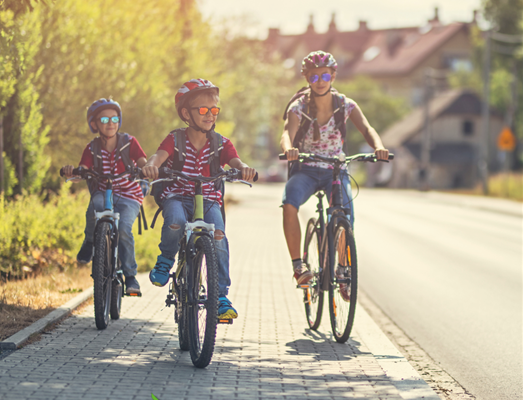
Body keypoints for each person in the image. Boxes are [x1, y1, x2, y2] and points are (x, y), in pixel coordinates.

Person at [142, 79, 256, 320]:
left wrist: (244, 168)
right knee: (174, 221)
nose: (210, 115)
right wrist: (152, 166)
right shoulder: (175, 139)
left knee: (219, 237)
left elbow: (236, 161)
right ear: (186, 113)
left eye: (214, 110)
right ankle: (165, 259)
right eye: (203, 110)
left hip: (210, 200)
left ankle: (220, 295)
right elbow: (158, 156)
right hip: (177, 196)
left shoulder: (221, 143)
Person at [280, 51, 389, 284]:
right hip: (306, 170)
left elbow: (367, 129)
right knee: (289, 205)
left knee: (345, 216)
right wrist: (289, 149)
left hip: (336, 172)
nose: (320, 82)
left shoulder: (346, 105)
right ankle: (299, 266)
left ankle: (342, 269)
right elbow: (287, 133)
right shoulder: (298, 107)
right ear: (307, 79)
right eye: (314, 77)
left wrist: (378, 146)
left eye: (325, 77)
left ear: (334, 77)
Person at [62, 98, 148, 295]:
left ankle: (131, 276)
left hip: (129, 195)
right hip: (103, 192)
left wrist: (147, 169)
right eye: (104, 119)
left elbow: (143, 162)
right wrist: (71, 173)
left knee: (124, 229)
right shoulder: (92, 148)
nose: (110, 123)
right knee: (94, 208)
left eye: (115, 118)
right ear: (94, 124)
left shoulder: (129, 142)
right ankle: (90, 242)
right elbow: (82, 171)